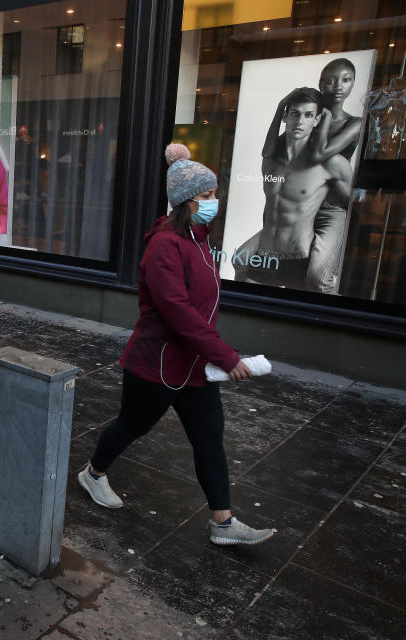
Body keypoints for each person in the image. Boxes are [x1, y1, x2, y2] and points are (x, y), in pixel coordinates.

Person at [78, 143, 274, 546]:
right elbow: (178, 312)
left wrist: (213, 355)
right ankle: (93, 474)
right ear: (186, 202)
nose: (213, 202)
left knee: (209, 442)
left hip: (196, 367)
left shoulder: (199, 239)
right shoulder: (165, 245)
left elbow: (200, 311)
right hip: (158, 364)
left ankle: (223, 524)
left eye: (215, 194)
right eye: (206, 196)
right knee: (133, 426)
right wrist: (226, 356)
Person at [261, 59, 362, 292]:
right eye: (330, 80)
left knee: (318, 277)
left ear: (353, 83)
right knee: (253, 263)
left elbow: (319, 154)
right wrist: (282, 107)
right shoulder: (307, 115)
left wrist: (324, 118)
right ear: (321, 83)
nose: (338, 86)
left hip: (331, 206)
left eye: (346, 80)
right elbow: (268, 152)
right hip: (304, 202)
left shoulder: (352, 122)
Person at [236, 87, 352, 287]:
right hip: (265, 255)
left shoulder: (331, 163)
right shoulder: (270, 159)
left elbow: (351, 207)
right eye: (295, 114)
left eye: (308, 115)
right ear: (285, 117)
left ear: (317, 120)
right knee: (240, 270)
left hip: (299, 257)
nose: (300, 121)